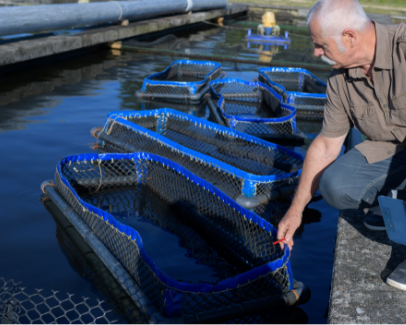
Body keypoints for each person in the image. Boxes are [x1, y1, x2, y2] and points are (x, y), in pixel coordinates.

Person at [276, 0, 406, 290]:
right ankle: (393, 202)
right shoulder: (339, 80)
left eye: (321, 45)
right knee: (334, 185)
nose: (316, 53)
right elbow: (325, 146)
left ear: (349, 37)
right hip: (394, 152)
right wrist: (295, 211)